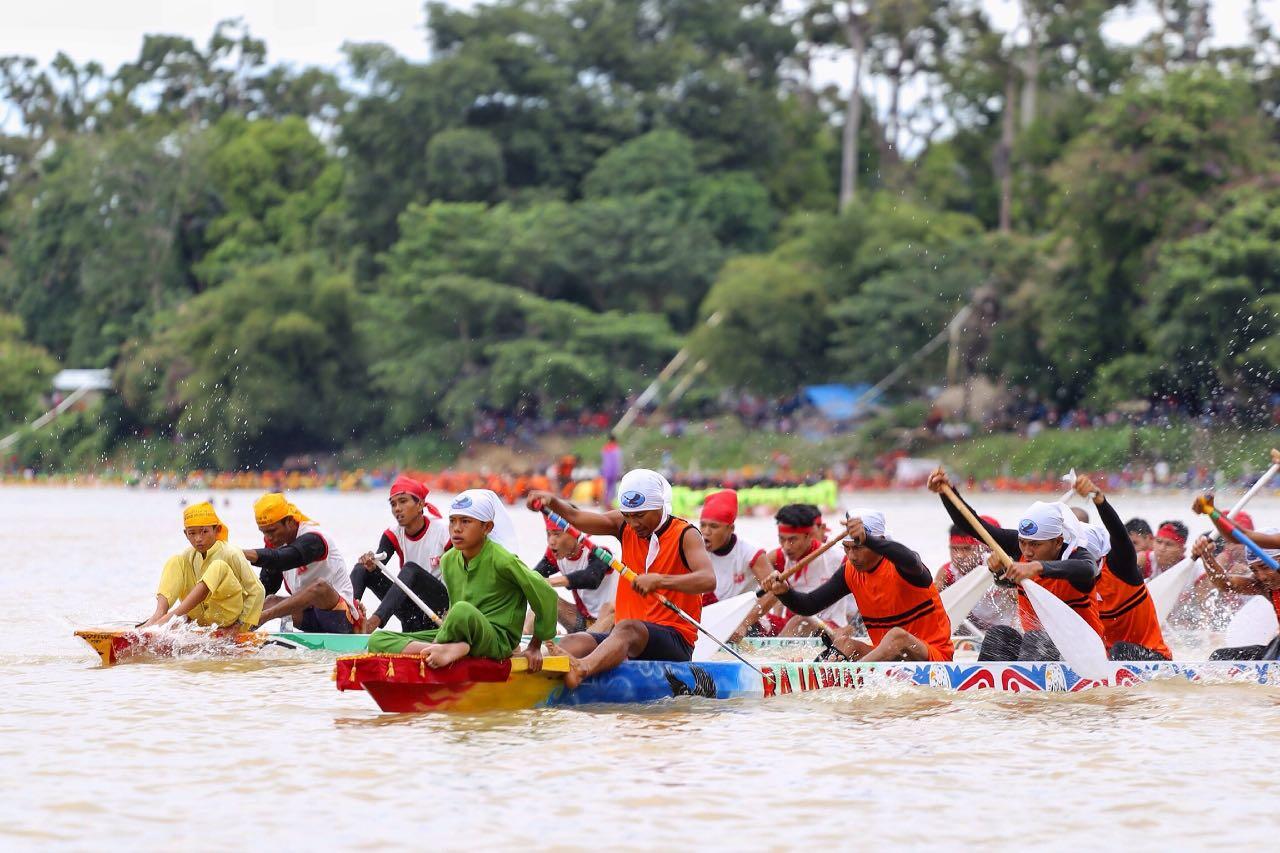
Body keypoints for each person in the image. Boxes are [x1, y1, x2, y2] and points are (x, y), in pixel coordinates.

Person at [524, 468, 716, 689]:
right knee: (574, 641)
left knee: (626, 628)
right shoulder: (623, 524)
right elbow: (577, 518)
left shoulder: (686, 534)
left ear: (660, 507)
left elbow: (708, 579)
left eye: (640, 515)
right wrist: (553, 502)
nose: (633, 524)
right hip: (628, 637)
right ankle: (531, 671)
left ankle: (582, 669)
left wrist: (660, 581)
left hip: (674, 640)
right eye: (628, 516)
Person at [368, 490, 559, 669]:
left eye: (466, 521)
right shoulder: (449, 560)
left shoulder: (504, 560)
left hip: (497, 642)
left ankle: (448, 647)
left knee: (461, 610)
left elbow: (547, 595)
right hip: (458, 635)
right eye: (452, 521)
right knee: (378, 640)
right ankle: (443, 648)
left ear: (487, 527)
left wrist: (535, 645)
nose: (456, 529)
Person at [927, 468, 1103, 661]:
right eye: (1023, 542)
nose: (1027, 552)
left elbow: (1088, 569)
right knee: (999, 635)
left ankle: (1029, 689)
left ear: (1058, 542)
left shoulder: (1077, 556)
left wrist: (1037, 567)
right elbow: (975, 526)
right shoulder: (1020, 547)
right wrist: (947, 492)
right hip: (1039, 651)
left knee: (1038, 638)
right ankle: (990, 689)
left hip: (1082, 654)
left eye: (1035, 545)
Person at [763, 510, 952, 662]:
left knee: (897, 636)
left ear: (880, 542)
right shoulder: (849, 572)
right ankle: (818, 674)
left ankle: (853, 674)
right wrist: (784, 592)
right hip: (886, 657)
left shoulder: (904, 567)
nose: (852, 556)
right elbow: (808, 605)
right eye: (847, 548)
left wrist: (867, 538)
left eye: (858, 547)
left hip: (933, 658)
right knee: (845, 644)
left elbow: (911, 558)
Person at [1072, 475, 1171, 660]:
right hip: (1108, 661)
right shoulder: (1069, 579)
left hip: (1153, 657)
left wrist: (1098, 499)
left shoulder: (1120, 568)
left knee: (1120, 649)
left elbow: (1119, 535)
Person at [243, 493, 360, 633]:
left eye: (272, 531)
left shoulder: (314, 538)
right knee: (269, 601)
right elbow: (266, 587)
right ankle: (232, 638)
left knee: (319, 586)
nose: (268, 537)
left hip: (341, 618)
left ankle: (266, 616)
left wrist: (240, 554)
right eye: (264, 532)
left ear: (290, 521)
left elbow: (283, 558)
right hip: (309, 616)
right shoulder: (275, 543)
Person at [351, 476, 451, 633]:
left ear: (420, 504)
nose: (397, 508)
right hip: (412, 611)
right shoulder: (393, 534)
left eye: (403, 501)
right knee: (362, 568)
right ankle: (348, 620)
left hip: (440, 608)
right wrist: (369, 561)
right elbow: (377, 562)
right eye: (393, 504)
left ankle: (371, 625)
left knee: (410, 569)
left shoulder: (444, 531)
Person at [140, 502, 264, 630]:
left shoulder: (231, 553)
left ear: (216, 530)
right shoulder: (189, 555)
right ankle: (159, 615)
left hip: (225, 617)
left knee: (218, 566)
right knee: (175, 560)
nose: (198, 538)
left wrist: (240, 626)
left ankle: (170, 618)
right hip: (201, 618)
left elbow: (257, 590)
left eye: (204, 531)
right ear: (185, 534)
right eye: (192, 533)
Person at [1194, 514, 1280, 660]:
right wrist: (1206, 556)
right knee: (1220, 657)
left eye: (1265, 567)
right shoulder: (1263, 586)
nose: (1262, 576)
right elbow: (1225, 583)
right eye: (1254, 570)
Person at [765, 504, 855, 636]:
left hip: (830, 627)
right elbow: (764, 598)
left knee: (801, 620)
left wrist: (851, 628)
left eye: (792, 540)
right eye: (781, 539)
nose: (786, 547)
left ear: (808, 536)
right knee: (755, 621)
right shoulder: (777, 557)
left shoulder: (839, 558)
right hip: (790, 627)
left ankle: (770, 653)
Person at [532, 515, 617, 633]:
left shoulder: (597, 547)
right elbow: (533, 577)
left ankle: (585, 641)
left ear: (575, 531)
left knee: (609, 610)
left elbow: (592, 578)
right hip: (584, 621)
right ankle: (527, 633)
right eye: (548, 534)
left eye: (557, 534)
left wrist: (549, 582)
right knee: (538, 591)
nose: (551, 541)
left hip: (612, 622)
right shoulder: (555, 553)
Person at [934, 517, 1015, 631]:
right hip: (973, 629)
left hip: (1004, 630)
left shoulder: (998, 564)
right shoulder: (947, 572)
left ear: (980, 548)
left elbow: (1019, 600)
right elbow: (931, 603)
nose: (959, 556)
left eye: (966, 549)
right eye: (954, 549)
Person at [698, 489, 768, 605]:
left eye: (714, 526)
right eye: (703, 525)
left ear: (731, 529)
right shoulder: (694, 551)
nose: (706, 532)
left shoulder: (751, 553)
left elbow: (773, 592)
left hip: (742, 617)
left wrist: (746, 622)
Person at [601, 434, 623, 508]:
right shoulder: (616, 448)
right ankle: (610, 504)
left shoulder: (605, 448)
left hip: (606, 470)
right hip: (613, 470)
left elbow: (605, 461)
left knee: (606, 488)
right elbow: (616, 461)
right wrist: (618, 471)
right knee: (612, 488)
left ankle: (605, 503)